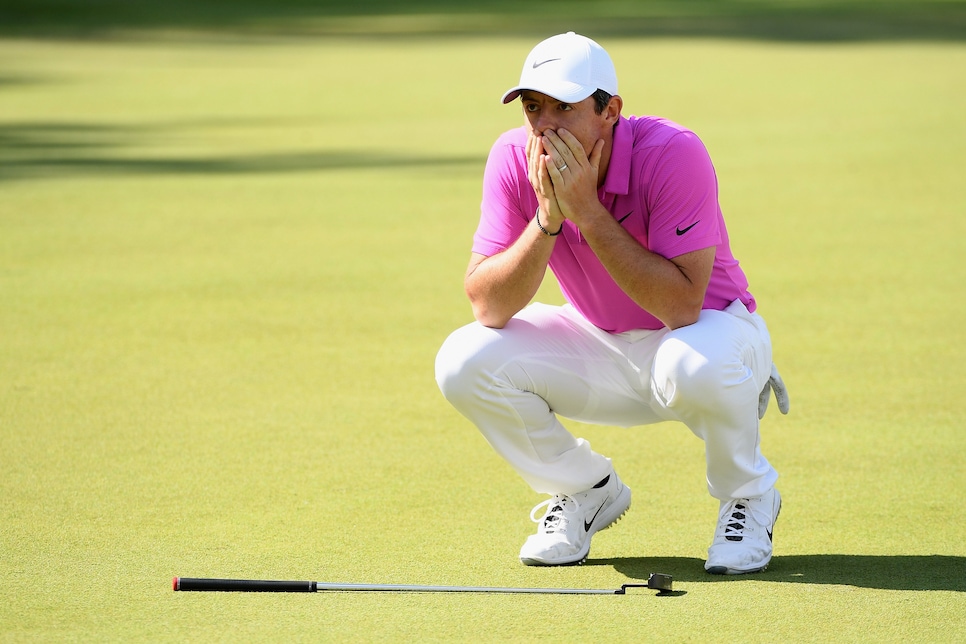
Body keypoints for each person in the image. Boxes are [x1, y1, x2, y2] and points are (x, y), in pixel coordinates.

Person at [434, 32, 790, 575]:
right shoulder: (513, 157)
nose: (545, 125)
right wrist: (549, 217)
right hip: (597, 342)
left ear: (611, 110)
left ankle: (748, 494)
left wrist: (589, 214)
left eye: (564, 107)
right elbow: (488, 306)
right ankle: (584, 490)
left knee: (695, 362)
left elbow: (681, 307)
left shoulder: (673, 151)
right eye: (533, 107)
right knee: (463, 359)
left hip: (707, 336)